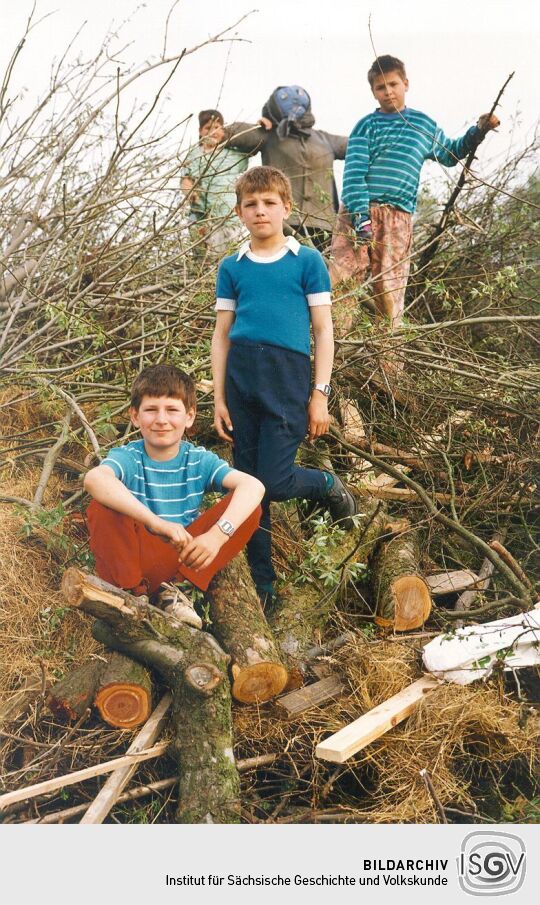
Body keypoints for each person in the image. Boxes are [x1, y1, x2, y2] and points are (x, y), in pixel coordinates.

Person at [211, 165, 356, 606]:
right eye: (251, 205)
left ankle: (326, 484)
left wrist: (320, 395)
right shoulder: (232, 266)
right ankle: (264, 581)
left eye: (269, 203)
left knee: (272, 482)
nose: (260, 211)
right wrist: (218, 399)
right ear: (239, 212)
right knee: (247, 489)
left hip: (287, 377)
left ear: (286, 208)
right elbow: (220, 335)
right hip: (241, 378)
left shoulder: (306, 262)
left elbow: (324, 331)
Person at [84, 364, 264, 628]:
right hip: (130, 563)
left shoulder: (197, 460)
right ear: (134, 416)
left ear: (189, 417)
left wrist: (216, 537)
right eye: (151, 410)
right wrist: (156, 522)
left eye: (172, 410)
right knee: (101, 505)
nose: (161, 419)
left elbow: (254, 486)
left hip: (181, 560)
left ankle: (176, 595)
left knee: (251, 509)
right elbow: (95, 478)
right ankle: (132, 596)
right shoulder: (129, 457)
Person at [331, 55, 500, 329]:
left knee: (389, 292)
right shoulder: (367, 126)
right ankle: (335, 351)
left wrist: (478, 131)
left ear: (406, 84)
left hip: (397, 218)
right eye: (380, 87)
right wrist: (361, 219)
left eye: (393, 85)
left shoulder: (421, 125)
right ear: (373, 92)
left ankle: (388, 364)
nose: (388, 92)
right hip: (357, 213)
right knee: (341, 282)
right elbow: (353, 176)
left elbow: (450, 153)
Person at [223, 87, 348, 251]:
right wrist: (257, 126)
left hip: (323, 224)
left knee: (319, 272)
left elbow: (360, 146)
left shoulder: (324, 139)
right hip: (284, 223)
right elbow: (227, 134)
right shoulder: (271, 136)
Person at [181, 109, 248, 256]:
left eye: (217, 127)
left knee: (226, 257)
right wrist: (190, 193)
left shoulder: (232, 153)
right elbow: (186, 178)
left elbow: (253, 142)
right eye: (208, 128)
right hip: (200, 217)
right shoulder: (194, 154)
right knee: (202, 258)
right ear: (200, 131)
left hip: (227, 216)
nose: (213, 132)